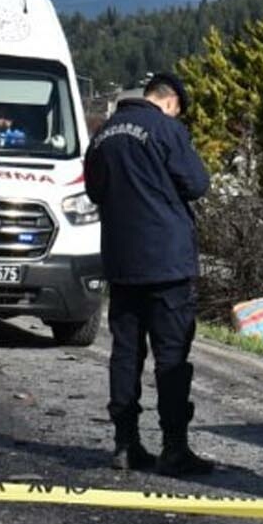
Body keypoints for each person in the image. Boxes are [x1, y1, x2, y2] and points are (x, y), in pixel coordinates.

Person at [82, 73, 213, 475]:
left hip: (122, 261)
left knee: (126, 353)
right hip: (167, 262)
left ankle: (125, 443)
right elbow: (197, 184)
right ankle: (174, 447)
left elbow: (93, 190)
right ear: (170, 101)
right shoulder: (166, 129)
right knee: (171, 356)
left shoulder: (103, 135)